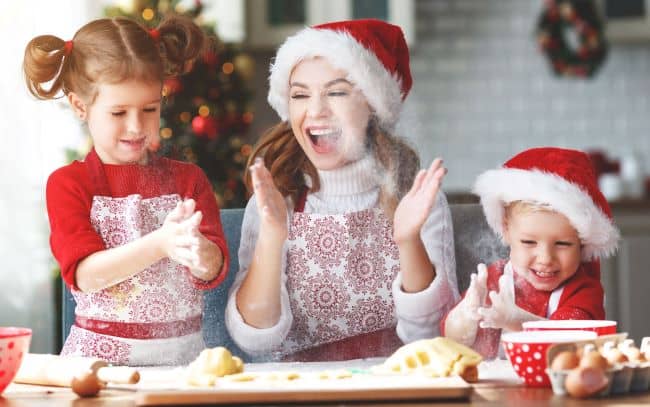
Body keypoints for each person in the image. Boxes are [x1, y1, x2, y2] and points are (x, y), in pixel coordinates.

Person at [224, 19, 459, 361]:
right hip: (298, 392)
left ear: (373, 107)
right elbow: (254, 341)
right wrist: (272, 238)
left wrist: (408, 241)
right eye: (300, 95)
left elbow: (431, 334)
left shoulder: (418, 199)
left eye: (336, 92)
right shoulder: (277, 203)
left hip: (396, 388)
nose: (316, 110)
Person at [23, 16, 229, 366]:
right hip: (98, 368)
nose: (137, 126)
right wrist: (160, 244)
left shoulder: (189, 180)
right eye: (118, 112)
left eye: (150, 108)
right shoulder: (69, 184)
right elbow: (86, 276)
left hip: (183, 365)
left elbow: (214, 270)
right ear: (79, 106)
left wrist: (201, 254)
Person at [443, 147, 620, 359]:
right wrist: (465, 317)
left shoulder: (582, 290)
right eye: (529, 242)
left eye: (563, 244)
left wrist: (517, 321)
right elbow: (450, 339)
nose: (546, 259)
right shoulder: (494, 279)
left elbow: (572, 338)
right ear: (506, 230)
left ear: (581, 242)